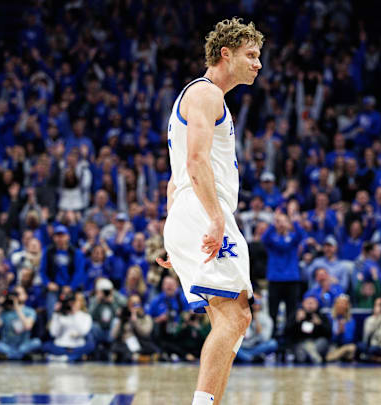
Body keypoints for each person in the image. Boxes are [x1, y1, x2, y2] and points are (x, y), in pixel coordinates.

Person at [157, 18, 263, 405]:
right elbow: (196, 160)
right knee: (235, 317)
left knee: (232, 318)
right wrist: (216, 218)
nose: (258, 64)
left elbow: (173, 181)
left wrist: (173, 235)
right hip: (203, 210)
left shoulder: (198, 96)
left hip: (188, 210)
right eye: (250, 55)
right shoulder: (206, 94)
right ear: (226, 53)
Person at [0, 286, 41, 360]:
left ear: (26, 296)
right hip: (6, 346)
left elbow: (28, 326)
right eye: (15, 294)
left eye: (19, 294)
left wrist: (17, 308)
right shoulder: (5, 312)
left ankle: (10, 356)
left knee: (37, 342)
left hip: (23, 345)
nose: (16, 296)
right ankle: (18, 356)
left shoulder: (30, 311)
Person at [42, 292, 94, 362]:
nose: (72, 304)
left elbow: (83, 331)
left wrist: (74, 314)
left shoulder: (86, 316)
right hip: (61, 346)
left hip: (77, 346)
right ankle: (72, 357)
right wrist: (56, 314)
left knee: (91, 345)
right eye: (70, 303)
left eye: (75, 302)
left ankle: (63, 357)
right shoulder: (59, 315)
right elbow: (54, 333)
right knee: (46, 346)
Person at [110, 295, 158, 363]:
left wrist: (135, 322)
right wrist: (121, 319)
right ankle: (137, 357)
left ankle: (138, 357)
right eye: (132, 304)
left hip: (141, 343)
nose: (134, 307)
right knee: (117, 348)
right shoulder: (124, 317)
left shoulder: (146, 318)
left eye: (136, 304)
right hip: (125, 343)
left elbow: (145, 333)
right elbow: (113, 335)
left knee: (150, 348)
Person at [285, 295, 331, 364]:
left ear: (317, 304)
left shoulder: (321, 316)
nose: (310, 306)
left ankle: (310, 351)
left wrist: (320, 324)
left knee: (323, 342)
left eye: (312, 303)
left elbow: (329, 334)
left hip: (316, 343)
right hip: (300, 343)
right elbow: (286, 332)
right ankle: (310, 353)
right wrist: (297, 321)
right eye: (308, 303)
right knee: (301, 357)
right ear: (303, 303)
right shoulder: (296, 314)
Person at [235, 295, 277, 363]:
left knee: (273, 344)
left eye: (256, 302)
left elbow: (264, 339)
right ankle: (251, 358)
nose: (254, 305)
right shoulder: (240, 315)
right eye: (252, 302)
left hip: (256, 346)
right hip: (242, 346)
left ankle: (247, 357)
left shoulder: (266, 319)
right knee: (232, 348)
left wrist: (256, 320)